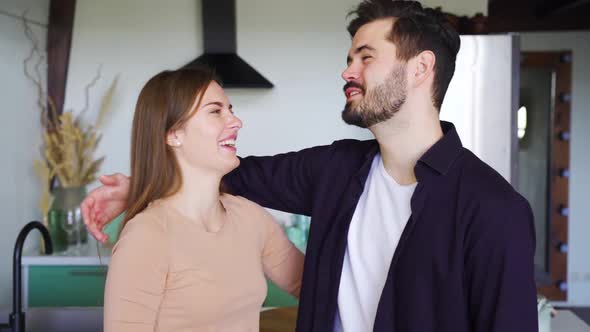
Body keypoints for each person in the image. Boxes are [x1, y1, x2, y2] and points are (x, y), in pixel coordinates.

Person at [83, 1, 538, 331]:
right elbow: (224, 170)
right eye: (348, 58)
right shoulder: (337, 170)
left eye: (365, 57)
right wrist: (142, 185)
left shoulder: (493, 208)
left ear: (420, 69)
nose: (347, 71)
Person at [102, 67, 304, 331]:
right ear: (173, 134)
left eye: (231, 109)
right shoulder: (147, 236)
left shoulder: (249, 217)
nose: (235, 121)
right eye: (215, 111)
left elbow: (316, 286)